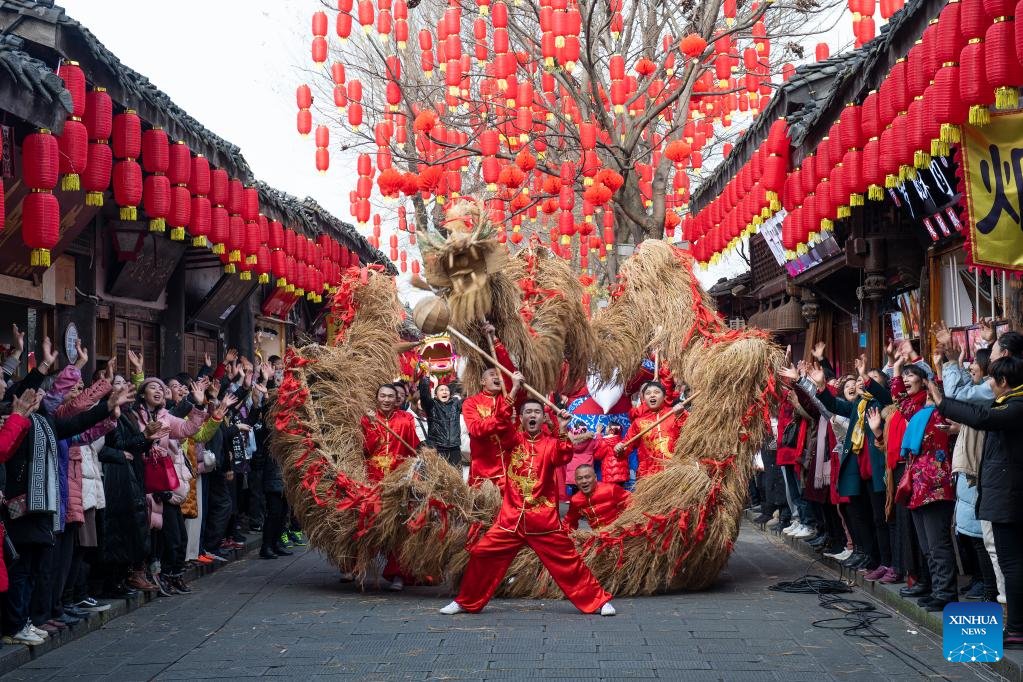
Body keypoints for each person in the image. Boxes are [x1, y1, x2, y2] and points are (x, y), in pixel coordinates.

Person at [439, 393, 616, 616]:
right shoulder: (512, 441)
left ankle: (598, 601)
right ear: (521, 418)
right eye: (528, 413)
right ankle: (466, 601)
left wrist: (562, 428)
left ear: (543, 418)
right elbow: (501, 424)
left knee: (568, 561)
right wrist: (512, 394)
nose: (532, 416)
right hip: (510, 519)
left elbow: (564, 456)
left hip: (543, 521)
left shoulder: (551, 444)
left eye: (537, 412)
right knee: (482, 553)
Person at [932, 355, 1023, 648]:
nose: (988, 386)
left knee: (1011, 564)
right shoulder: (1011, 404)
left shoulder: (1016, 406)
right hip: (1005, 495)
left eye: (990, 381)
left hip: (1009, 498)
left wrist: (942, 402)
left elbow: (982, 417)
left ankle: (1017, 627)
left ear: (1003, 382)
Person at [360, 383, 421, 590]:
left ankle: (398, 574)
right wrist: (372, 427)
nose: (386, 400)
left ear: (397, 399)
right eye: (382, 396)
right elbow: (365, 450)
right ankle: (354, 566)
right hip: (372, 480)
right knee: (366, 522)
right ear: (377, 398)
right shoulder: (367, 419)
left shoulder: (406, 419)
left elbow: (412, 451)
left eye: (390, 396)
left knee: (399, 526)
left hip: (398, 480)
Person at [462, 367, 521, 488]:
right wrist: (503, 418)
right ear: (482, 381)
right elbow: (476, 429)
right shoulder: (471, 402)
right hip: (484, 470)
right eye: (492, 374)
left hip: (509, 467)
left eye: (499, 375)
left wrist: (515, 387)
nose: (497, 377)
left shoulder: (505, 397)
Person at [614, 382, 686, 479]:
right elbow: (626, 446)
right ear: (643, 399)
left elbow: (691, 434)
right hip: (649, 476)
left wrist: (682, 415)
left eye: (656, 392)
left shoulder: (675, 413)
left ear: (664, 396)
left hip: (677, 472)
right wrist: (620, 449)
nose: (652, 395)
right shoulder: (638, 422)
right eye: (648, 393)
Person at [565, 464, 631, 530]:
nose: (584, 481)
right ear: (575, 481)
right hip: (599, 537)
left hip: (620, 534)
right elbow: (569, 523)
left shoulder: (611, 489)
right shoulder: (575, 500)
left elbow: (632, 504)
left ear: (595, 478)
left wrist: (624, 526)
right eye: (579, 478)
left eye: (587, 477)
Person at [418, 378, 463, 469]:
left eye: (446, 390)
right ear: (435, 395)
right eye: (441, 390)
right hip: (438, 447)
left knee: (456, 477)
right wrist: (426, 379)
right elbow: (424, 395)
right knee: (439, 476)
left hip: (455, 447)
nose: (444, 392)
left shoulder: (456, 404)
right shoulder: (431, 405)